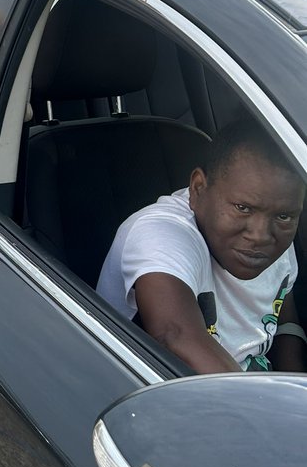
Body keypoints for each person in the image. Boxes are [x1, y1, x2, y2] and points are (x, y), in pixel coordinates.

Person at [97, 119, 306, 375]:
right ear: (197, 189)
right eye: (243, 208)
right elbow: (174, 334)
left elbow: (284, 322)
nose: (260, 235)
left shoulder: (274, 230)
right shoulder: (159, 231)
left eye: (285, 216)